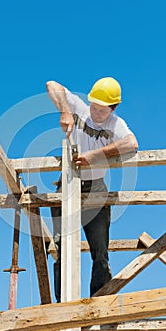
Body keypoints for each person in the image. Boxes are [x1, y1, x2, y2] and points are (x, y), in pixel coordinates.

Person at [46, 77, 138, 302]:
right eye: (94, 107)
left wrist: (94, 156)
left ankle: (99, 301)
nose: (96, 113)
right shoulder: (80, 109)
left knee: (100, 252)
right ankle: (63, 305)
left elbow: (132, 144)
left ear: (113, 108)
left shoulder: (116, 125)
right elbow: (52, 85)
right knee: (62, 249)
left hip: (95, 187)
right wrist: (66, 112)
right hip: (67, 185)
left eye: (102, 110)